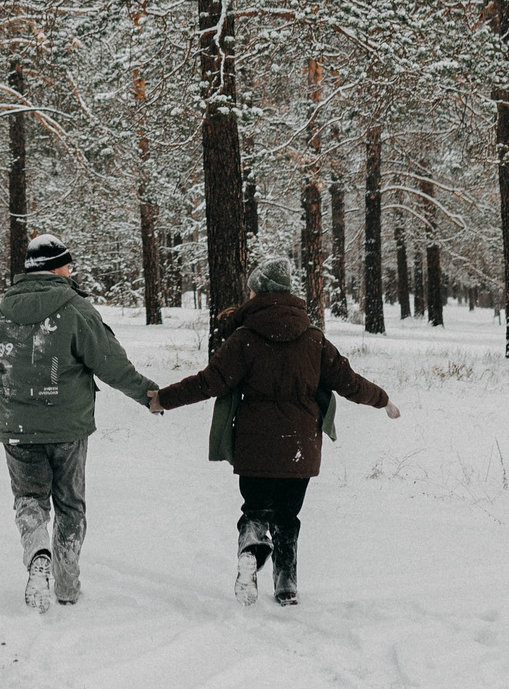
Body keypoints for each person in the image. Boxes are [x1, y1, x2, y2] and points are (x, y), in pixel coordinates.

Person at [150, 257, 401, 606]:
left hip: (255, 446)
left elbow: (208, 383)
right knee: (288, 516)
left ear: (260, 292)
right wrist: (382, 400)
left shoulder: (244, 339)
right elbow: (349, 383)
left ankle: (251, 548)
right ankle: (286, 585)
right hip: (300, 447)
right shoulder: (314, 340)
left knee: (255, 509)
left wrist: (163, 398)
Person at [0, 233, 161, 612]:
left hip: (18, 427)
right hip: (68, 427)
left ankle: (36, 549)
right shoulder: (75, 309)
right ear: (56, 267)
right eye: (67, 264)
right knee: (70, 504)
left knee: (29, 499)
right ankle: (66, 585)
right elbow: (111, 363)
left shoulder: (3, 313)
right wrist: (148, 395)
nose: (71, 271)